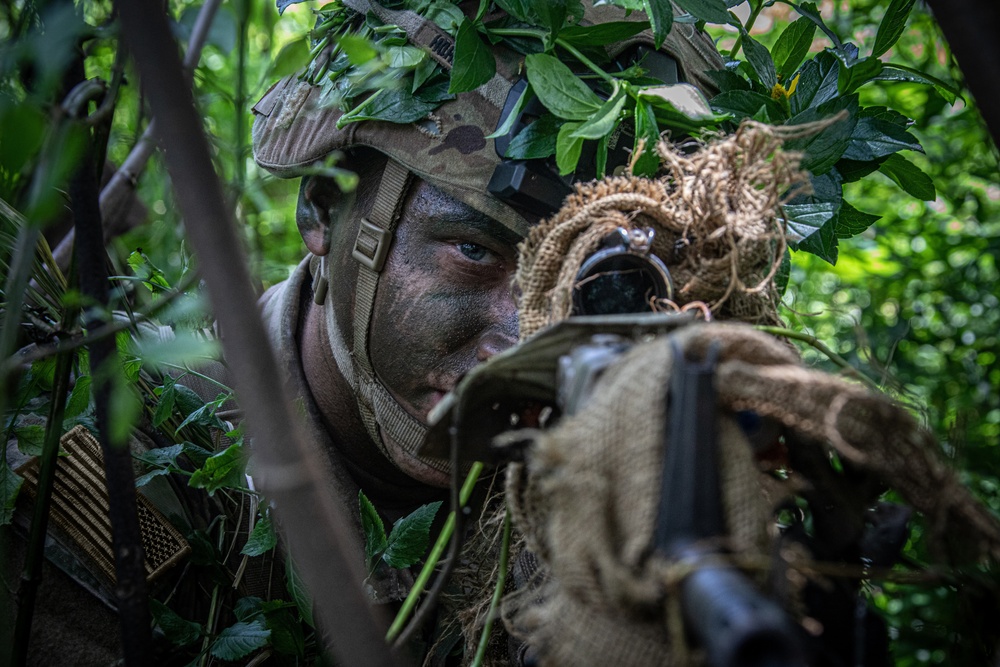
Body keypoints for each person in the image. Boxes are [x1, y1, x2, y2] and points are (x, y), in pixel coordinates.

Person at [3, 3, 726, 664]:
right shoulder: (140, 466)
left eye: (580, 283)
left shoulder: (626, 490)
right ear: (323, 210)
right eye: (475, 251)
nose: (521, 335)